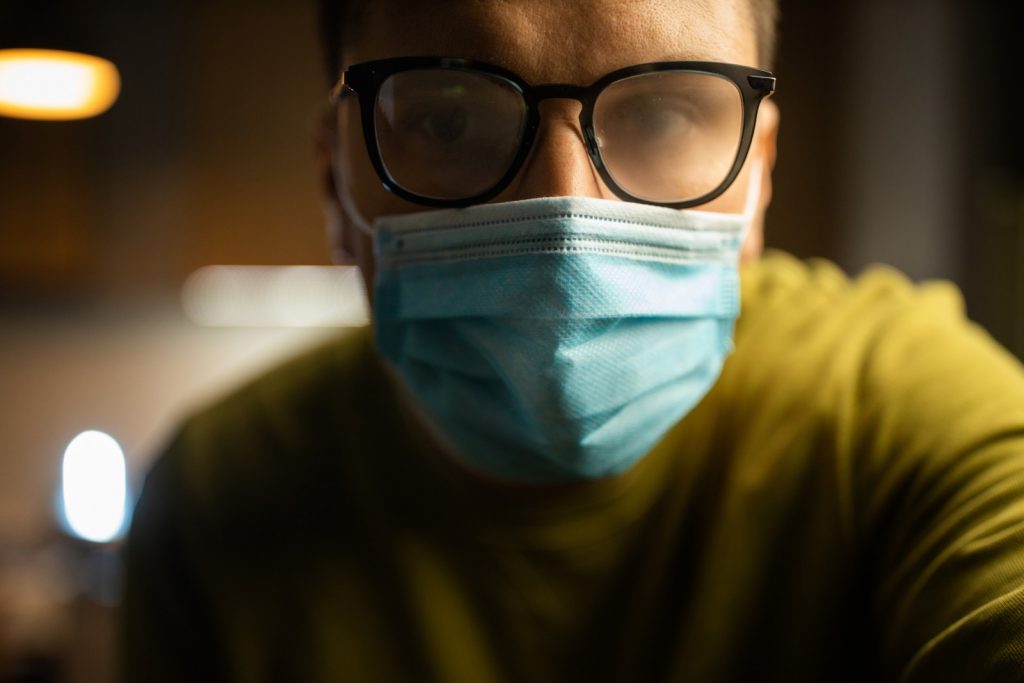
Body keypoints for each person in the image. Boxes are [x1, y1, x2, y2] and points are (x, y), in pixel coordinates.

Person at [121, 1, 1024, 681]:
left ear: (759, 176)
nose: (565, 224)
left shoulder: (892, 414)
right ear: (334, 181)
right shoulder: (214, 495)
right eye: (448, 118)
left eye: (664, 113)